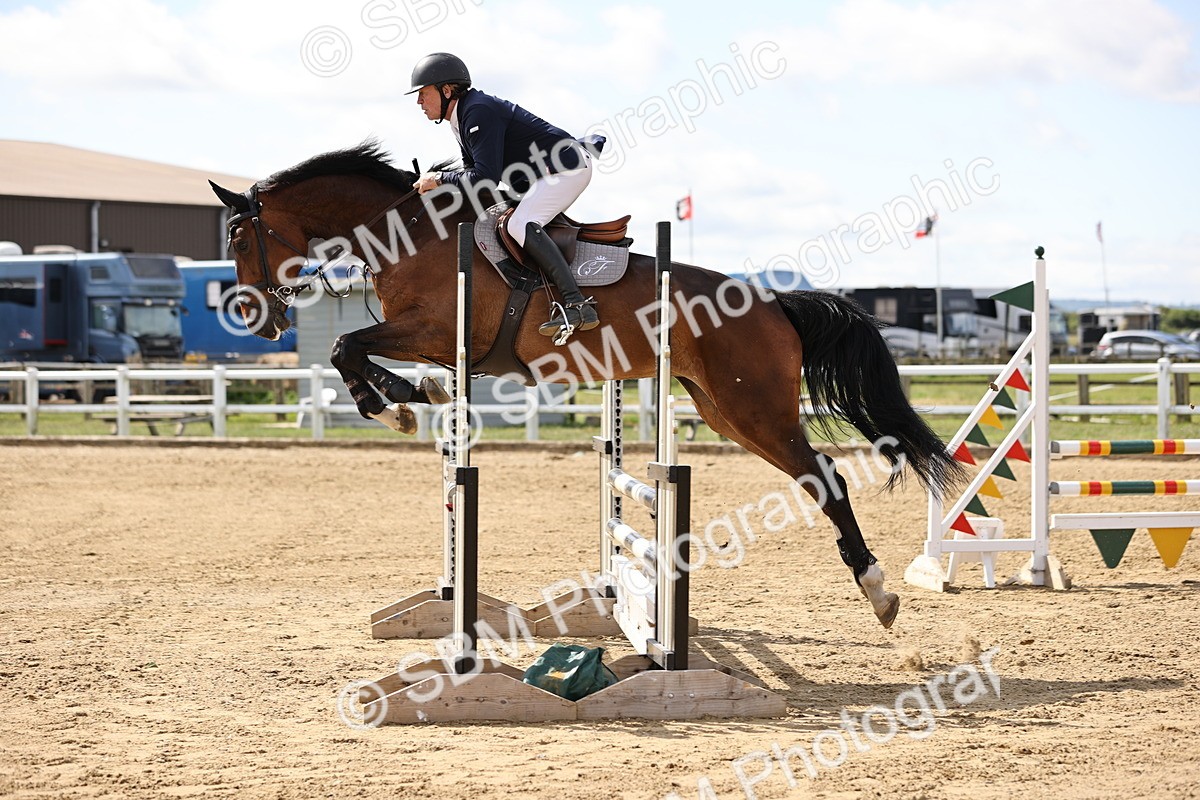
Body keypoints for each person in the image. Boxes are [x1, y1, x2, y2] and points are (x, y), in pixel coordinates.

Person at [408, 52, 600, 340]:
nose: (419, 102)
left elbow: (484, 178)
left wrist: (438, 179)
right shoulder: (461, 118)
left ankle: (576, 304)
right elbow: (473, 178)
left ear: (446, 90)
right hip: (539, 175)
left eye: (423, 93)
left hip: (566, 168)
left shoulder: (478, 111)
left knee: (519, 225)